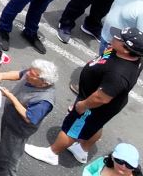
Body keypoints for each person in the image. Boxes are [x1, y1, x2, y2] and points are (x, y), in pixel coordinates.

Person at [25, 28, 143, 167]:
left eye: (119, 39)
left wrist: (83, 105)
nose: (114, 37)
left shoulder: (119, 74)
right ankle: (82, 149)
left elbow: (101, 98)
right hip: (101, 102)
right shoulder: (126, 55)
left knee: (71, 129)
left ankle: (52, 153)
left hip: (94, 105)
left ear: (126, 49)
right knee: (95, 125)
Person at [0, 61, 57, 176]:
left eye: (32, 74)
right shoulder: (33, 74)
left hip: (19, 129)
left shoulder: (44, 100)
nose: (27, 73)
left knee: (11, 156)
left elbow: (29, 118)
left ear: (44, 83)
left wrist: (10, 96)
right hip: (11, 119)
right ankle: (2, 153)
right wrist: (2, 75)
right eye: (29, 70)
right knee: (5, 141)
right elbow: (20, 74)